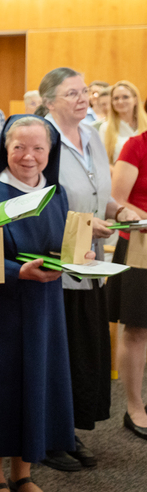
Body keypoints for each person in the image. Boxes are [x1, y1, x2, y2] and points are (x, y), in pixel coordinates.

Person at [0, 115, 76, 492]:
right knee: (1, 387)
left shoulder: (56, 193)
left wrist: (80, 256)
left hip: (45, 305)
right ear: (5, 149)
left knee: (38, 382)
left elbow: (60, 244)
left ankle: (23, 473)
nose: (29, 156)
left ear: (50, 152)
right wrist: (17, 273)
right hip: (1, 306)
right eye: (19, 147)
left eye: (38, 148)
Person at [36, 67, 138, 470]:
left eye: (84, 92)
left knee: (82, 354)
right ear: (49, 101)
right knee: (57, 355)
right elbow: (34, 203)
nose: (84, 99)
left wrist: (118, 210)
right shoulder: (41, 139)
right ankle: (46, 438)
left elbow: (99, 194)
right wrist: (82, 223)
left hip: (90, 262)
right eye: (72, 93)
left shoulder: (92, 135)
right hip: (53, 264)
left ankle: (66, 432)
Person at [108, 121, 147, 440]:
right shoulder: (137, 145)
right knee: (137, 328)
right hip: (140, 244)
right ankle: (135, 407)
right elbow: (117, 199)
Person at [100, 80, 147, 164]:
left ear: (135, 100)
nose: (120, 101)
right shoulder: (105, 128)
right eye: (116, 98)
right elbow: (102, 161)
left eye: (125, 97)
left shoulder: (145, 124)